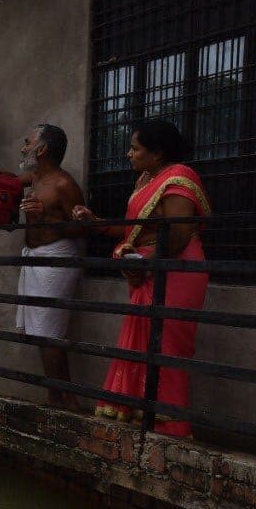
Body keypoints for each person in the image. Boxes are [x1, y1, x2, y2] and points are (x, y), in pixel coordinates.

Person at [72, 120, 211, 437]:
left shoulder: (179, 177)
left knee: (166, 345)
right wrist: (97, 223)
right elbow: (136, 228)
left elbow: (175, 237)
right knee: (142, 342)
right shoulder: (146, 179)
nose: (129, 154)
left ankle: (169, 425)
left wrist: (140, 262)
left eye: (135, 148)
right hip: (148, 268)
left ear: (157, 152)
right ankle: (139, 416)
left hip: (175, 270)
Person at [0, 124, 88, 409]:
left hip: (56, 259)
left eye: (28, 142)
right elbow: (12, 181)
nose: (24, 147)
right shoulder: (36, 176)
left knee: (50, 332)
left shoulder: (63, 184)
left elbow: (82, 229)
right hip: (35, 258)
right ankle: (55, 394)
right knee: (40, 332)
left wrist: (46, 218)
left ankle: (68, 399)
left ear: (42, 148)